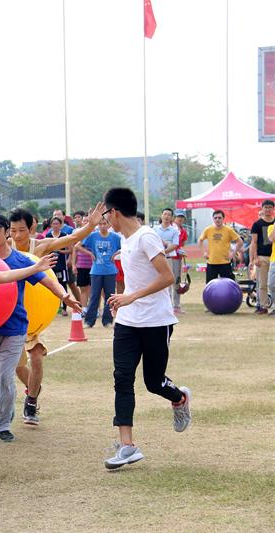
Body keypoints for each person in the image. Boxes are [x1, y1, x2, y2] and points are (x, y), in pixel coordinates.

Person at [0, 184, 99, 428]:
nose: (16, 235)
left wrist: (64, 295)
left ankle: (23, 405)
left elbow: (51, 270)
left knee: (24, 364)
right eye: (13, 230)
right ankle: (25, 391)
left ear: (29, 228)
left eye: (19, 230)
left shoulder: (30, 252)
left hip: (22, 320)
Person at [102, 188, 192, 469]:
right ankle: (127, 446)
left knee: (153, 382)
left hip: (156, 321)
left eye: (106, 214)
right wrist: (122, 301)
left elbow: (167, 277)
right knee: (122, 378)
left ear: (115, 212)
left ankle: (180, 398)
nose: (106, 220)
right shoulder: (124, 238)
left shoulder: (146, 237)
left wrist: (131, 297)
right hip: (127, 321)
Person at [75, 218, 122, 328]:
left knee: (110, 297)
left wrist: (116, 254)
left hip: (110, 271)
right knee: (94, 296)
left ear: (109, 224)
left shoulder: (115, 237)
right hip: (96, 271)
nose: (102, 226)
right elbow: (77, 246)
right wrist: (90, 254)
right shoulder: (93, 236)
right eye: (100, 224)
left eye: (104, 223)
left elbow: (127, 246)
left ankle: (108, 321)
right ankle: (89, 321)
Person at [198, 210, 242, 283]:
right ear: (213, 219)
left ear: (223, 218)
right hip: (211, 263)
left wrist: (233, 253)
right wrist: (204, 253)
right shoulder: (208, 230)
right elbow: (200, 240)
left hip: (225, 263)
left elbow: (240, 242)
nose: (217, 219)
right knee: (210, 285)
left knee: (228, 285)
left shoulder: (229, 230)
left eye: (219, 218)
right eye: (215, 218)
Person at [249, 200, 274, 314]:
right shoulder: (257, 224)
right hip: (262, 256)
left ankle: (273, 306)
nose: (268, 209)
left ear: (273, 209)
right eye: (266, 207)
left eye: (270, 207)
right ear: (262, 208)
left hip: (274, 256)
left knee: (272, 284)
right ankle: (263, 306)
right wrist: (255, 258)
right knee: (262, 284)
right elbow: (254, 242)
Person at [153, 208, 181, 307]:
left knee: (168, 281)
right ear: (161, 216)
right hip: (155, 259)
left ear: (172, 217)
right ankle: (157, 304)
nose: (166, 216)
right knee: (155, 280)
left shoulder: (174, 231)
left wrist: (162, 252)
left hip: (168, 259)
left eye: (169, 215)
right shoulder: (155, 229)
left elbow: (175, 245)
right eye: (165, 214)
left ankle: (169, 304)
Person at [71, 212, 93, 309]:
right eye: (84, 221)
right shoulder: (77, 234)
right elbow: (74, 250)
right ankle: (84, 308)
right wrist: (73, 265)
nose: (86, 222)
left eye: (88, 221)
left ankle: (94, 309)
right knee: (83, 288)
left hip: (94, 265)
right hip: (81, 265)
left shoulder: (95, 233)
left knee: (93, 289)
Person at [171, 210, 189, 315]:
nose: (180, 219)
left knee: (177, 281)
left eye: (182, 217)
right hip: (169, 257)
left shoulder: (183, 232)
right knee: (168, 281)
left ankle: (176, 305)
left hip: (178, 258)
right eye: (178, 217)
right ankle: (168, 305)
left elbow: (182, 244)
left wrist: (182, 251)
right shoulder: (171, 229)